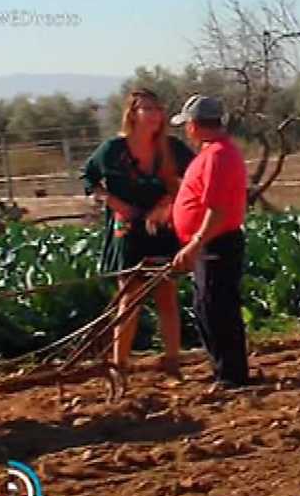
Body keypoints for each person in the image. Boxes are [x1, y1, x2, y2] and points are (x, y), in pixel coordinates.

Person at [81, 88, 195, 378]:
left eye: (158, 109)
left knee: (167, 297)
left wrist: (170, 203)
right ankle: (119, 366)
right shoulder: (113, 150)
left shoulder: (171, 148)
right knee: (129, 299)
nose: (155, 115)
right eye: (147, 109)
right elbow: (89, 177)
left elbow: (195, 178)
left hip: (162, 230)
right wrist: (114, 202)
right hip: (128, 231)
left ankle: (172, 364)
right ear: (132, 114)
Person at [169, 94, 252, 389]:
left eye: (186, 125)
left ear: (193, 125)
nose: (186, 130)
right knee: (208, 307)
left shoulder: (218, 156)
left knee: (217, 310)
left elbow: (217, 210)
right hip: (212, 242)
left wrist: (194, 244)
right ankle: (223, 369)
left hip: (216, 243)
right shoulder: (214, 152)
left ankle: (231, 375)